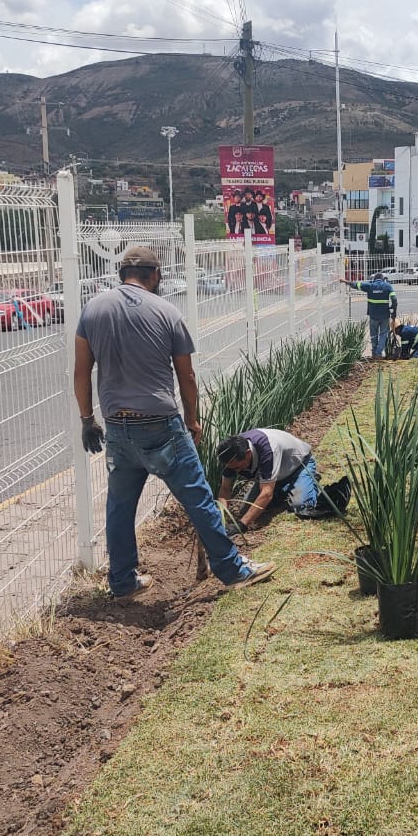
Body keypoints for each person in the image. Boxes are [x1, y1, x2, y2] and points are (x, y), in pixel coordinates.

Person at [73, 245, 277, 598]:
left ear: (122, 275)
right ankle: (231, 568)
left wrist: (87, 421)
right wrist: (192, 419)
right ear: (154, 275)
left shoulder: (92, 310)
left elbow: (80, 371)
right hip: (160, 425)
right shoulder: (167, 312)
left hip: (118, 427)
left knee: (119, 508)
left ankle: (122, 581)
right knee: (197, 498)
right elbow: (187, 377)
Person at [214, 429, 349, 526]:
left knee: (300, 505)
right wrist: (222, 517)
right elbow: (225, 489)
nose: (235, 471)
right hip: (276, 474)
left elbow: (266, 494)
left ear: (248, 454)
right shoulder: (229, 456)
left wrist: (242, 525)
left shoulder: (267, 450)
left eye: (237, 467)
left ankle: (309, 478)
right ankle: (284, 487)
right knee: (247, 507)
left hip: (299, 465)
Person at [340, 271, 397, 359]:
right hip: (384, 315)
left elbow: (356, 285)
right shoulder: (388, 286)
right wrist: (394, 310)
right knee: (383, 334)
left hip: (373, 315)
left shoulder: (370, 286)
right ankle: (378, 353)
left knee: (373, 335)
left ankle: (374, 353)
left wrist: (344, 281)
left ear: (374, 279)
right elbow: (394, 299)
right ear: (383, 279)